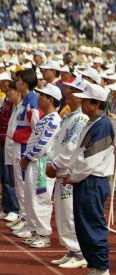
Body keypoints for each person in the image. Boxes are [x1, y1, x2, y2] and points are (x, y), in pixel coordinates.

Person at [64, 83, 115, 275]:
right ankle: (95, 267)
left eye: (85, 100)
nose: (81, 103)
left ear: (96, 104)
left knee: (92, 225)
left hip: (92, 181)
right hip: (85, 180)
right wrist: (73, 173)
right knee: (83, 226)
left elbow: (90, 160)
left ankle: (102, 269)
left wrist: (73, 175)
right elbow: (80, 154)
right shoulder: (92, 122)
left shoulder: (103, 125)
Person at [46, 77, 88, 268]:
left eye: (72, 91)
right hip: (60, 171)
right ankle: (71, 250)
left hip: (67, 173)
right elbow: (57, 142)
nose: (68, 93)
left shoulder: (80, 119)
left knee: (69, 213)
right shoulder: (68, 116)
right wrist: (51, 162)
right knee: (62, 213)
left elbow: (71, 147)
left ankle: (79, 252)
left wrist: (55, 164)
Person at [18, 83, 62, 248]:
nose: (39, 98)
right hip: (34, 162)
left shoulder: (54, 120)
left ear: (50, 99)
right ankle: (35, 230)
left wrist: (27, 157)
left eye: (42, 95)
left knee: (40, 198)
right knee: (31, 197)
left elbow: (43, 144)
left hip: (41, 163)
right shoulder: (46, 118)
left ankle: (44, 234)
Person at [8, 69, 41, 236]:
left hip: (24, 147)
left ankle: (30, 222)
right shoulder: (24, 100)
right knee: (20, 184)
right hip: (17, 144)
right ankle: (24, 217)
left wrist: (30, 149)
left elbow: (37, 127)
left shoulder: (31, 101)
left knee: (24, 185)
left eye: (19, 80)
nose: (16, 83)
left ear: (25, 83)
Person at [0, 74, 19, 222]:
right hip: (3, 142)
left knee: (9, 177)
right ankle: (7, 207)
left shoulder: (15, 103)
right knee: (4, 177)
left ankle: (14, 208)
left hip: (10, 143)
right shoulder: (5, 101)